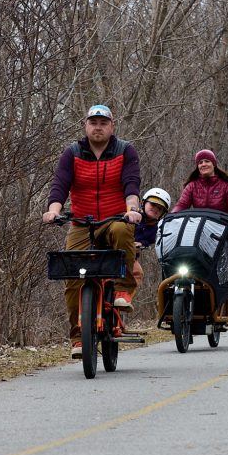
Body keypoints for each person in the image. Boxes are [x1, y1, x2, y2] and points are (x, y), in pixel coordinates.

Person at [43, 104, 142, 358]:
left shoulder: (125, 150)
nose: (98, 127)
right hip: (81, 222)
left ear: (112, 126)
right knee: (73, 274)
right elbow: (60, 185)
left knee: (123, 231)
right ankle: (78, 338)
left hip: (114, 217)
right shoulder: (72, 153)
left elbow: (131, 183)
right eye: (93, 122)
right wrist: (54, 210)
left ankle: (122, 289)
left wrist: (132, 209)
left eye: (103, 123)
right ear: (85, 126)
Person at [171, 149, 228, 298]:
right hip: (197, 231)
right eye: (200, 162)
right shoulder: (192, 185)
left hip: (220, 231)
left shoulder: (226, 185)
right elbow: (181, 205)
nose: (203, 164)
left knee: (222, 262)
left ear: (214, 164)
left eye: (206, 161)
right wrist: (172, 217)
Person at [132, 187, 172, 291]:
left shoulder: (156, 229)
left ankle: (123, 300)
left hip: (130, 257)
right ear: (143, 203)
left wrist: (141, 243)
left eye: (159, 208)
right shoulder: (132, 217)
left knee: (137, 273)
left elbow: (149, 240)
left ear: (162, 213)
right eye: (153, 204)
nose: (155, 209)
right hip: (114, 250)